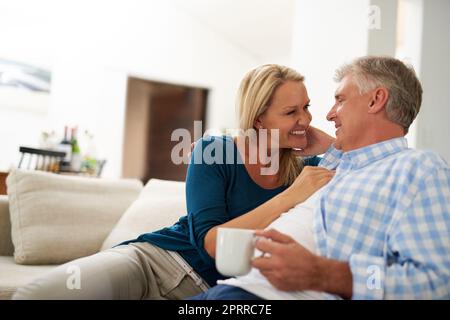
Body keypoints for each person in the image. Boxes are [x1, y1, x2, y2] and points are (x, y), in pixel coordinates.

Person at [13, 64, 334, 299]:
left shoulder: (306, 169)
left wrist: (332, 145)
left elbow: (370, 163)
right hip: (153, 262)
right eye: (291, 111)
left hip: (207, 293)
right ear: (258, 119)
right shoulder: (215, 151)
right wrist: (290, 197)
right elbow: (211, 243)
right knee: (41, 296)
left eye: (306, 107)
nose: (305, 120)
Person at [191, 56, 450, 300]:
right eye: (292, 112)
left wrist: (323, 274)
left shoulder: (418, 169)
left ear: (376, 100)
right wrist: (336, 147)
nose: (328, 115)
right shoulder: (338, 166)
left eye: (340, 100)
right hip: (233, 287)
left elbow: (439, 282)